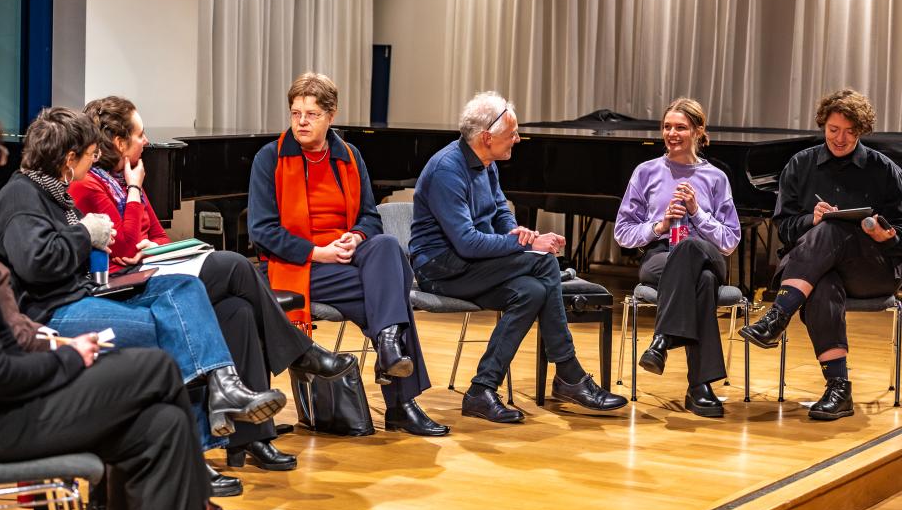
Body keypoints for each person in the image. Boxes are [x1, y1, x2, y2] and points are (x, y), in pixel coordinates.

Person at [0, 101, 251, 510]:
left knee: (163, 410)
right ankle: (201, 476)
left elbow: (8, 320)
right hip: (28, 366)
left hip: (55, 323)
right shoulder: (23, 195)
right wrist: (65, 353)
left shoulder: (47, 192)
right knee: (160, 358)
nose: (2, 160)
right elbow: (33, 274)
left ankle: (218, 408)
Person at [71, 96, 355, 479]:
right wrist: (136, 192)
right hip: (128, 288)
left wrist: (152, 242)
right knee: (237, 265)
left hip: (155, 268)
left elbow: (155, 235)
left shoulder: (122, 179)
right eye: (140, 135)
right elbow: (120, 246)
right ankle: (299, 352)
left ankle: (250, 437)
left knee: (237, 310)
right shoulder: (93, 185)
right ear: (120, 143)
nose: (146, 141)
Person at [409, 91, 628, 423]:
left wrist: (521, 236)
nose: (518, 138)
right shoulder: (447, 170)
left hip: (470, 266)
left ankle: (481, 391)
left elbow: (500, 212)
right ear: (486, 138)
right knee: (543, 261)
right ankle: (568, 371)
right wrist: (529, 247)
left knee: (532, 291)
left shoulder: (487, 163)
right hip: (441, 269)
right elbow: (467, 243)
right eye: (511, 134)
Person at [248, 72, 447, 437]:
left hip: (343, 256)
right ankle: (400, 398)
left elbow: (370, 216)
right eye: (296, 113)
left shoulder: (350, 156)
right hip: (294, 264)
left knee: (386, 246)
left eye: (311, 114)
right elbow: (261, 232)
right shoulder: (270, 158)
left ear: (331, 115)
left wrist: (356, 237)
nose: (302, 122)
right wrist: (317, 252)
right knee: (390, 288)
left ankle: (389, 345)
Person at [740, 88, 902, 420]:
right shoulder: (800, 165)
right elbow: (782, 229)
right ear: (823, 126)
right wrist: (809, 219)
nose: (840, 138)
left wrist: (885, 236)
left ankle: (778, 315)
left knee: (832, 229)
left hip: (871, 270)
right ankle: (838, 388)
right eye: (833, 130)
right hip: (812, 271)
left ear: (861, 131)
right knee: (822, 280)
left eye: (849, 131)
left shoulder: (884, 169)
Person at [614, 98, 741, 417]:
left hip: (706, 252)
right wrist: (661, 225)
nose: (672, 133)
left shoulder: (715, 177)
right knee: (705, 282)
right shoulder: (646, 172)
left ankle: (662, 339)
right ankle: (700, 387)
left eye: (681, 127)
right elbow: (623, 232)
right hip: (661, 255)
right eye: (667, 127)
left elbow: (729, 241)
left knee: (692, 251)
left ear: (698, 131)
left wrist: (698, 213)